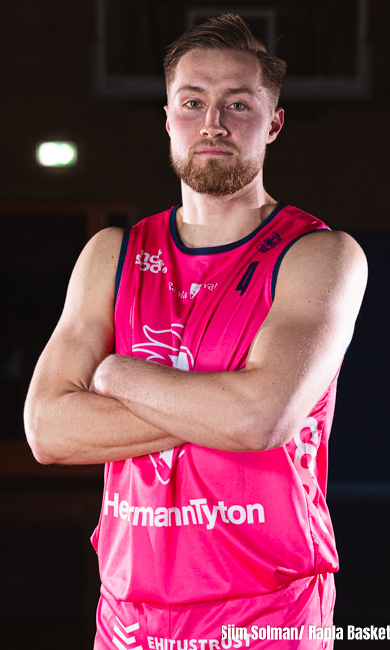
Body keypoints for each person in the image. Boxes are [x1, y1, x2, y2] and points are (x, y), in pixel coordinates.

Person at [24, 14, 367, 650]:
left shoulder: (318, 255)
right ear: (168, 118)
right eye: (193, 102)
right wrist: (222, 404)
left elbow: (260, 421)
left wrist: (116, 375)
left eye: (238, 103)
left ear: (273, 122)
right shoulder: (112, 255)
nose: (213, 122)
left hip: (267, 612)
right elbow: (48, 430)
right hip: (127, 614)